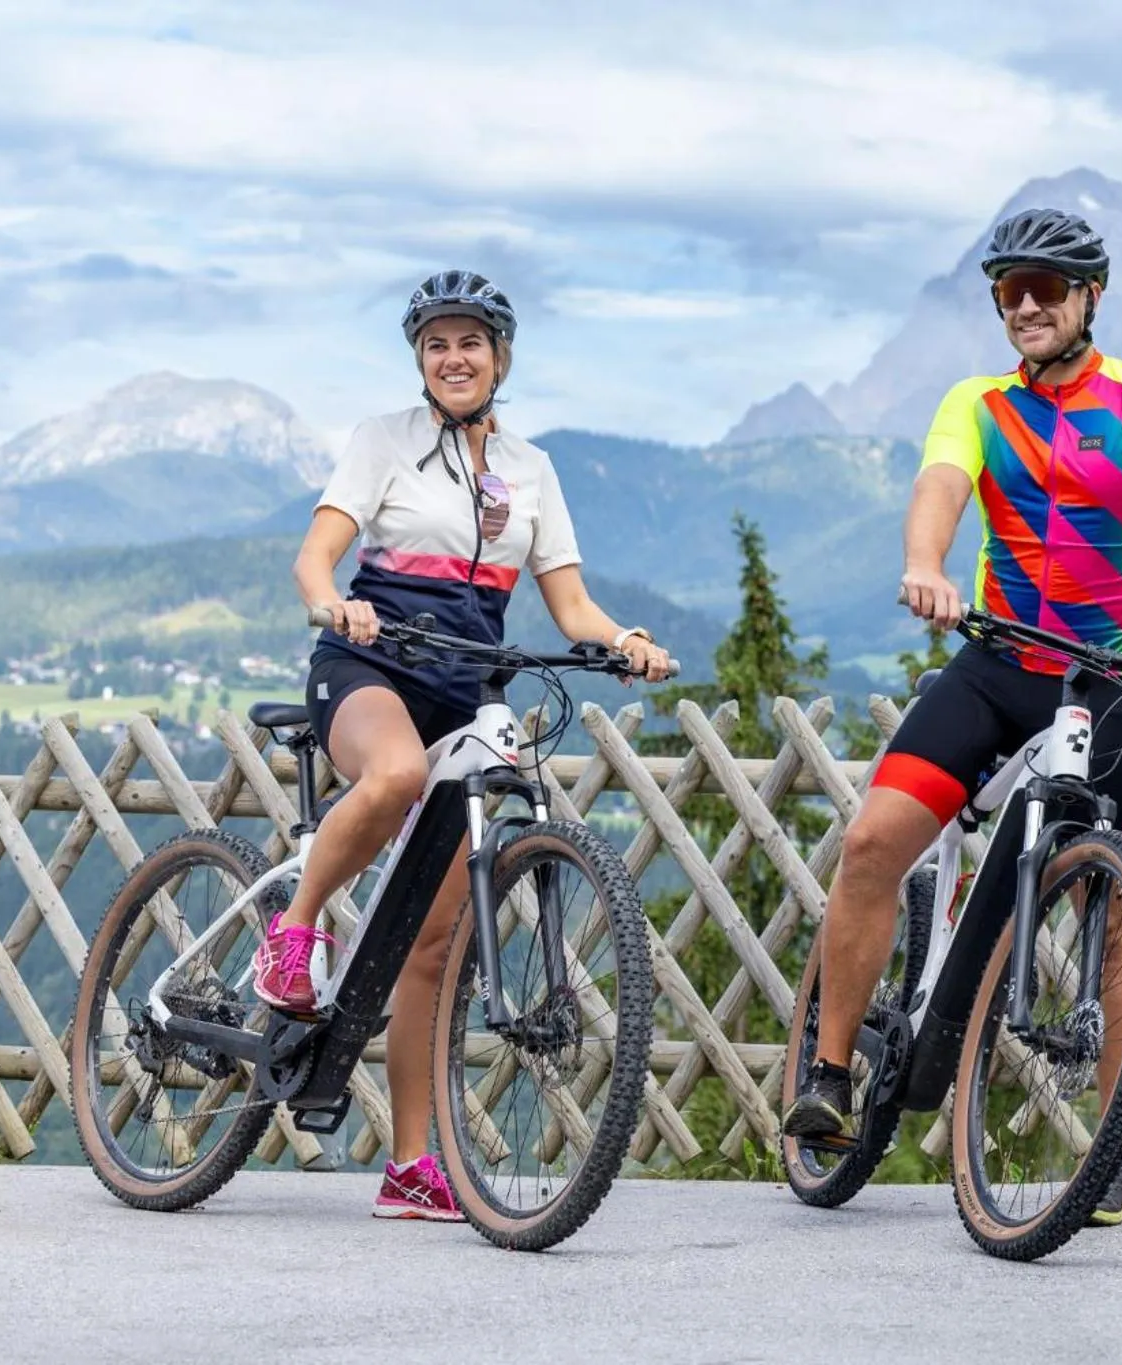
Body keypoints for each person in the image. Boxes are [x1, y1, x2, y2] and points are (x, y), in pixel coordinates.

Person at [784, 209, 1122, 1226]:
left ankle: (1109, 1155)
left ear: (1090, 296)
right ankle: (829, 1074)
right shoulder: (975, 404)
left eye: (1047, 288)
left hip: (1106, 685)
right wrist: (924, 563)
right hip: (995, 667)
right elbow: (939, 486)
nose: (1026, 306)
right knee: (875, 839)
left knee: (1120, 920)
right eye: (1009, 289)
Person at [260, 269, 671, 1221]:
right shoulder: (384, 443)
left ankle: (410, 1166)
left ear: (500, 358)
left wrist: (626, 643)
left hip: (466, 686)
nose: (454, 357)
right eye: (437, 343)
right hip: (368, 666)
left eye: (471, 342)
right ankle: (296, 930)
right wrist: (334, 602)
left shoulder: (530, 469)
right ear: (419, 358)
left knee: (435, 946)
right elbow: (315, 554)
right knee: (397, 773)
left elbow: (568, 603)